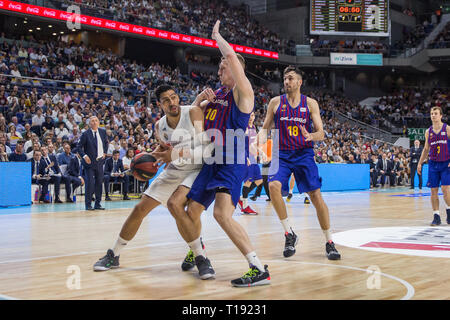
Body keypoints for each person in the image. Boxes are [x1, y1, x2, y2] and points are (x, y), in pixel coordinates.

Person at [178, 21, 270, 287]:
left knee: (221, 215)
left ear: (236, 69)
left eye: (223, 67)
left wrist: (217, 37)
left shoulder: (244, 94)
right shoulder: (216, 94)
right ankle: (197, 249)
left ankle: (257, 267)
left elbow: (231, 57)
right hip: (211, 158)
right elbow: (196, 121)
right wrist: (197, 102)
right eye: (218, 67)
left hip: (231, 159)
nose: (218, 70)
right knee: (191, 211)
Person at [93, 85, 211, 278]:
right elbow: (163, 150)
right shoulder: (160, 126)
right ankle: (114, 254)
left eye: (174, 97)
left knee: (176, 205)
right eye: (166, 100)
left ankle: (201, 257)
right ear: (159, 104)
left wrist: (173, 154)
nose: (172, 102)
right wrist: (144, 160)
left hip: (196, 169)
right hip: (175, 168)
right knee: (140, 208)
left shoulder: (193, 112)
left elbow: (206, 149)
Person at [258, 65, 341, 260]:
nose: (286, 81)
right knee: (273, 186)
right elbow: (264, 128)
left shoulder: (310, 104)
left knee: (316, 197)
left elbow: (321, 133)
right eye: (285, 78)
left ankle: (329, 242)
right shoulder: (275, 103)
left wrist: (311, 135)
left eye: (291, 78)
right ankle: (289, 233)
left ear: (299, 82)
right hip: (282, 154)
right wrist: (260, 144)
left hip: (304, 153)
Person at [417, 106, 450, 226]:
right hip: (433, 164)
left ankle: (449, 211)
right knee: (433, 191)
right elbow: (426, 149)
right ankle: (436, 216)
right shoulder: (428, 132)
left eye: (435, 113)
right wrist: (420, 163)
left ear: (441, 115)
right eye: (431, 113)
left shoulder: (447, 129)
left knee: (445, 190)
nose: (433, 115)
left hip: (446, 164)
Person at [76, 116, 108, 211]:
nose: (94, 122)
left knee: (99, 183)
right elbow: (78, 147)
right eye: (92, 121)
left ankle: (98, 203)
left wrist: (105, 152)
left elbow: (105, 143)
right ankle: (88, 204)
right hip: (89, 163)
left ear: (98, 122)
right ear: (89, 123)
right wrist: (84, 156)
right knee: (90, 183)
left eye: (96, 121)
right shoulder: (85, 134)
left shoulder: (102, 132)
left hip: (100, 162)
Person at [238, 112, 262, 215]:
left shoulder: (254, 128)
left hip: (253, 157)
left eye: (252, 115)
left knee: (259, 180)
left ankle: (241, 198)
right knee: (247, 181)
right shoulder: (244, 127)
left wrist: (261, 153)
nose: (251, 117)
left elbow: (254, 143)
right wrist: (245, 157)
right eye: (249, 115)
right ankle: (245, 206)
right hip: (246, 156)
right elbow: (240, 144)